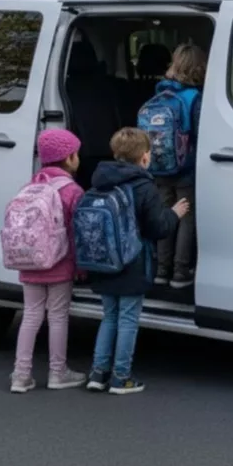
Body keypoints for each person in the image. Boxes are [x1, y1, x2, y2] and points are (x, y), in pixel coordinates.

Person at [86, 127, 189, 395]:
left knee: (109, 317)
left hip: (104, 262)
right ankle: (121, 377)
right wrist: (174, 214)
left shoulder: (99, 181)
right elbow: (158, 227)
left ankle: (98, 373)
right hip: (133, 262)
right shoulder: (145, 187)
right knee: (128, 319)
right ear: (145, 157)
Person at [10, 129, 88, 394]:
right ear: (69, 158)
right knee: (57, 317)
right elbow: (76, 233)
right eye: (76, 153)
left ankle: (20, 375)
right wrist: (80, 267)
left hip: (29, 263)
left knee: (30, 315)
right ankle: (58, 373)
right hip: (59, 264)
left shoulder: (29, 187)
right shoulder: (72, 191)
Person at [150, 43, 206, 289]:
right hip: (185, 168)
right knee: (186, 217)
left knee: (165, 215)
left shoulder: (159, 93)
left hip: (159, 167)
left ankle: (162, 270)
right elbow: (199, 133)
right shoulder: (194, 97)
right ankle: (181, 272)